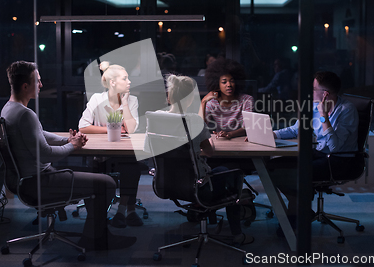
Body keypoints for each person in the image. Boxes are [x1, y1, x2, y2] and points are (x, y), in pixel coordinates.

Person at [1, 61, 135, 250]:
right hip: (39, 181)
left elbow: (40, 134)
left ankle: (95, 233)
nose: (41, 85)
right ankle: (95, 239)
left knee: (95, 180)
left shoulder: (9, 109)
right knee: (107, 183)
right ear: (25, 86)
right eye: (38, 81)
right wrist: (73, 146)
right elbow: (46, 154)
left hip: (26, 180)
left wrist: (67, 140)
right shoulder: (26, 115)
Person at [145, 74, 254, 245]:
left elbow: (148, 148)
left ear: (169, 96)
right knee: (229, 173)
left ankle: (208, 220)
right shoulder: (194, 121)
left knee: (215, 173)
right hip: (198, 187)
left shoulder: (155, 118)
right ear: (190, 100)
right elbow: (209, 152)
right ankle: (237, 234)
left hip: (166, 183)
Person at [267, 71, 359, 226]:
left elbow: (335, 147)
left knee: (295, 173)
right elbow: (296, 129)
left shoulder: (346, 110)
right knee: (273, 166)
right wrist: (270, 134)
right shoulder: (314, 107)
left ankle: (296, 213)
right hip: (320, 153)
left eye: (314, 89)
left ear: (325, 94)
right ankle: (300, 206)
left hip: (339, 161)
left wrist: (324, 117)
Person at [78, 61, 144, 228]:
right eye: (125, 78)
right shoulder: (97, 99)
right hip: (102, 154)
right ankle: (97, 214)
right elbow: (83, 126)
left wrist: (125, 104)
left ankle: (123, 211)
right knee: (99, 167)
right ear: (113, 82)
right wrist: (110, 129)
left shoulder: (132, 100)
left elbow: (131, 129)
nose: (129, 82)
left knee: (132, 165)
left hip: (123, 152)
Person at [200, 58, 254, 139]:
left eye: (232, 81)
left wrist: (230, 134)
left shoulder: (247, 100)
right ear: (217, 84)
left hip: (242, 141)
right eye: (224, 82)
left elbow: (247, 128)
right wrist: (203, 102)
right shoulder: (212, 103)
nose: (229, 84)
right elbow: (200, 128)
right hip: (221, 141)